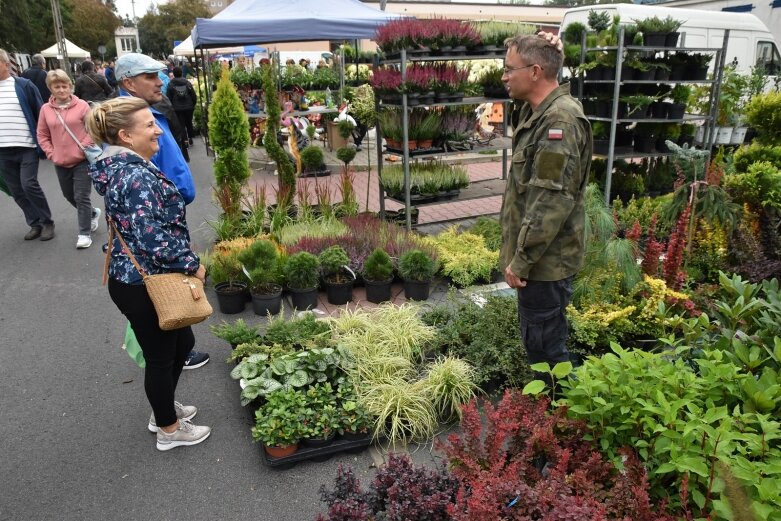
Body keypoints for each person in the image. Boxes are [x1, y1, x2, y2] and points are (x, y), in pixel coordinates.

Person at [86, 97, 211, 451]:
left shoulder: (119, 168)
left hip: (137, 278)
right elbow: (153, 238)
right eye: (149, 125)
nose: (158, 130)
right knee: (161, 357)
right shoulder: (136, 174)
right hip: (146, 283)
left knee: (181, 345)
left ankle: (164, 408)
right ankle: (168, 429)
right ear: (126, 135)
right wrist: (193, 265)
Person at [499, 33, 592, 385]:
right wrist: (556, 55)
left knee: (546, 350)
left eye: (510, 69)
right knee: (541, 341)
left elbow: (550, 202)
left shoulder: (559, 124)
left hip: (544, 263)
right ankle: (556, 414)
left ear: (535, 72)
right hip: (540, 261)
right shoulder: (539, 111)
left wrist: (521, 259)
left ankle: (563, 419)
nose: (504, 76)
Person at [115, 52, 208, 369]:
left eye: (160, 75)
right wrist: (191, 263)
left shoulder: (147, 110)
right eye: (150, 76)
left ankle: (167, 353)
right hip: (155, 224)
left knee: (167, 314)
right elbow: (149, 235)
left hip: (165, 213)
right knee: (158, 304)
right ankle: (162, 380)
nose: (160, 81)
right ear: (129, 82)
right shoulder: (128, 119)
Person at [36, 69, 102, 249]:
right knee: (69, 195)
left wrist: (82, 148)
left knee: (81, 197)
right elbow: (42, 134)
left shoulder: (82, 106)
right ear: (50, 88)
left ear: (70, 86)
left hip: (81, 160)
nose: (61, 90)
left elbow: (92, 129)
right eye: (56, 86)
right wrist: (51, 153)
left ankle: (84, 233)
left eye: (64, 86)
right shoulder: (46, 109)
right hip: (60, 161)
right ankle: (93, 213)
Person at [0, 48, 55, 241]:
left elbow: (41, 113)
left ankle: (47, 222)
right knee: (16, 190)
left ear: (7, 65)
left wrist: (47, 141)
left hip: (26, 146)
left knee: (28, 184)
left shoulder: (23, 85)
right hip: (3, 150)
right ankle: (35, 223)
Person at [166, 66, 197, 145]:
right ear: (181, 73)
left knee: (181, 124)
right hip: (189, 107)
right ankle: (190, 138)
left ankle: (185, 140)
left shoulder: (171, 84)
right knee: (189, 122)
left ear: (173, 74)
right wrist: (192, 104)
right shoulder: (187, 83)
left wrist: (172, 107)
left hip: (177, 108)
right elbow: (193, 95)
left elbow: (168, 97)